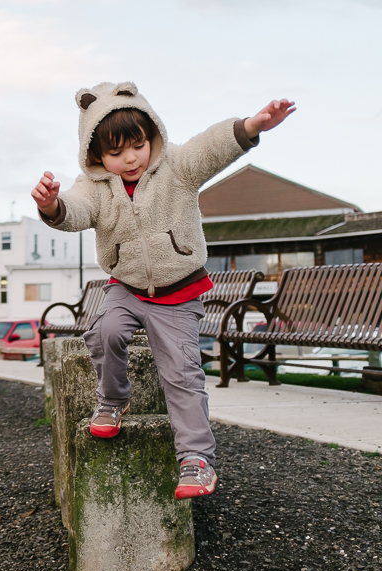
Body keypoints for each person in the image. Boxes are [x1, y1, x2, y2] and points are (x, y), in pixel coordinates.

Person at [31, 81, 294, 499]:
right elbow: (75, 211)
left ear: (150, 135)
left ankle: (196, 460)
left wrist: (250, 126)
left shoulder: (176, 167)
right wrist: (51, 206)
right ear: (97, 156)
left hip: (178, 291)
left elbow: (211, 148)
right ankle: (113, 399)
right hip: (127, 287)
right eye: (116, 153)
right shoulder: (94, 187)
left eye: (136, 145)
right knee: (104, 331)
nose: (130, 158)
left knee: (182, 374)